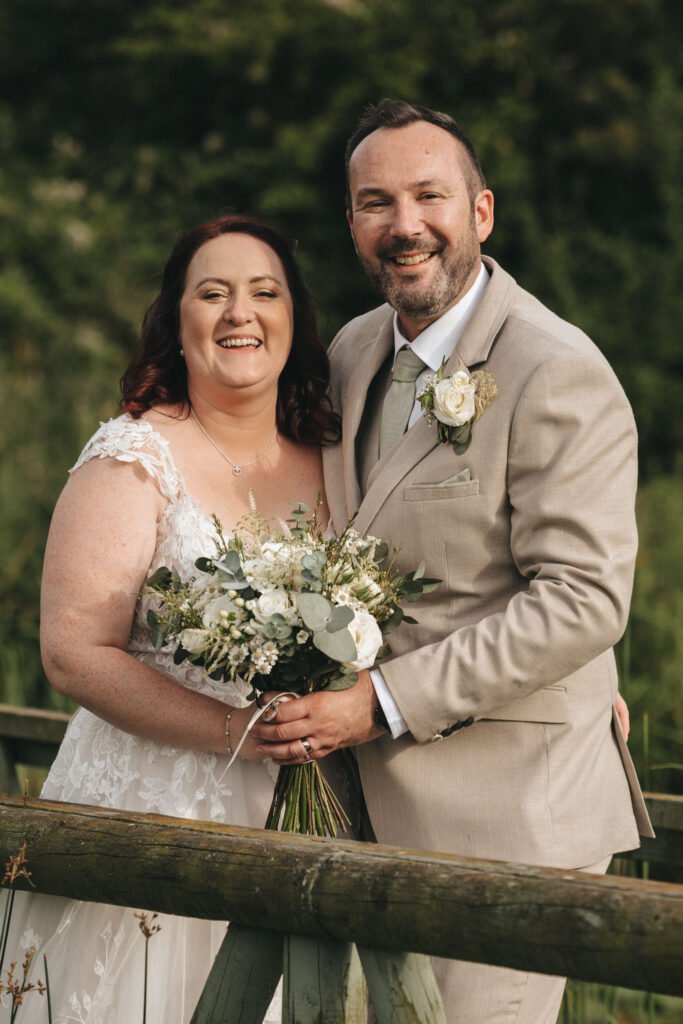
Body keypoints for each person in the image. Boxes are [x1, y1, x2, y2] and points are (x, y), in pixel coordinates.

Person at [253, 99, 654, 1023]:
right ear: (351, 223)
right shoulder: (351, 350)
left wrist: (382, 703)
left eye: (428, 196)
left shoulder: (557, 368)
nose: (404, 226)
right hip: (356, 812)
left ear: (479, 212)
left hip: (507, 815)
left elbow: (583, 599)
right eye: (374, 202)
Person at [3, 213, 343, 1024]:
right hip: (148, 807)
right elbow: (73, 652)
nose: (239, 313)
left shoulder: (335, 460)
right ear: (176, 318)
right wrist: (232, 733)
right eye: (212, 292)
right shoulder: (133, 457)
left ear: (293, 320)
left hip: (300, 807)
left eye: (264, 292)